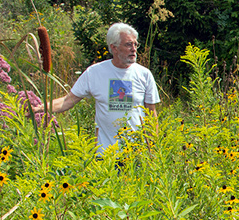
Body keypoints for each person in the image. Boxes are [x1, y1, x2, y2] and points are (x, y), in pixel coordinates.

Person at [34, 23, 160, 153]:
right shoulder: (94, 73)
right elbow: (67, 101)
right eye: (128, 44)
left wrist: (154, 149)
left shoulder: (144, 75)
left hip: (137, 154)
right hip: (106, 156)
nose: (134, 49)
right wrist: (41, 108)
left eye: (135, 44)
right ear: (114, 48)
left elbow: (151, 115)